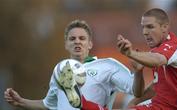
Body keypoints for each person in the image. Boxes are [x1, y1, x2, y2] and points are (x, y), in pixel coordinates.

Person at [4, 19, 144, 110]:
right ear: (66, 44)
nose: (77, 41)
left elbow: (136, 91)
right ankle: (77, 99)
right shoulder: (60, 70)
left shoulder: (108, 65)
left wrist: (138, 72)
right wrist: (21, 101)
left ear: (90, 44)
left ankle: (82, 102)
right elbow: (49, 104)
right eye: (72, 39)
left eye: (82, 38)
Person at [117, 8, 177, 110]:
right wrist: (138, 71)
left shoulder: (175, 47)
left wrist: (130, 53)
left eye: (150, 27)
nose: (145, 32)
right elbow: (151, 88)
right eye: (143, 27)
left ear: (164, 27)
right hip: (160, 106)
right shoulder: (155, 52)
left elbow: (158, 60)